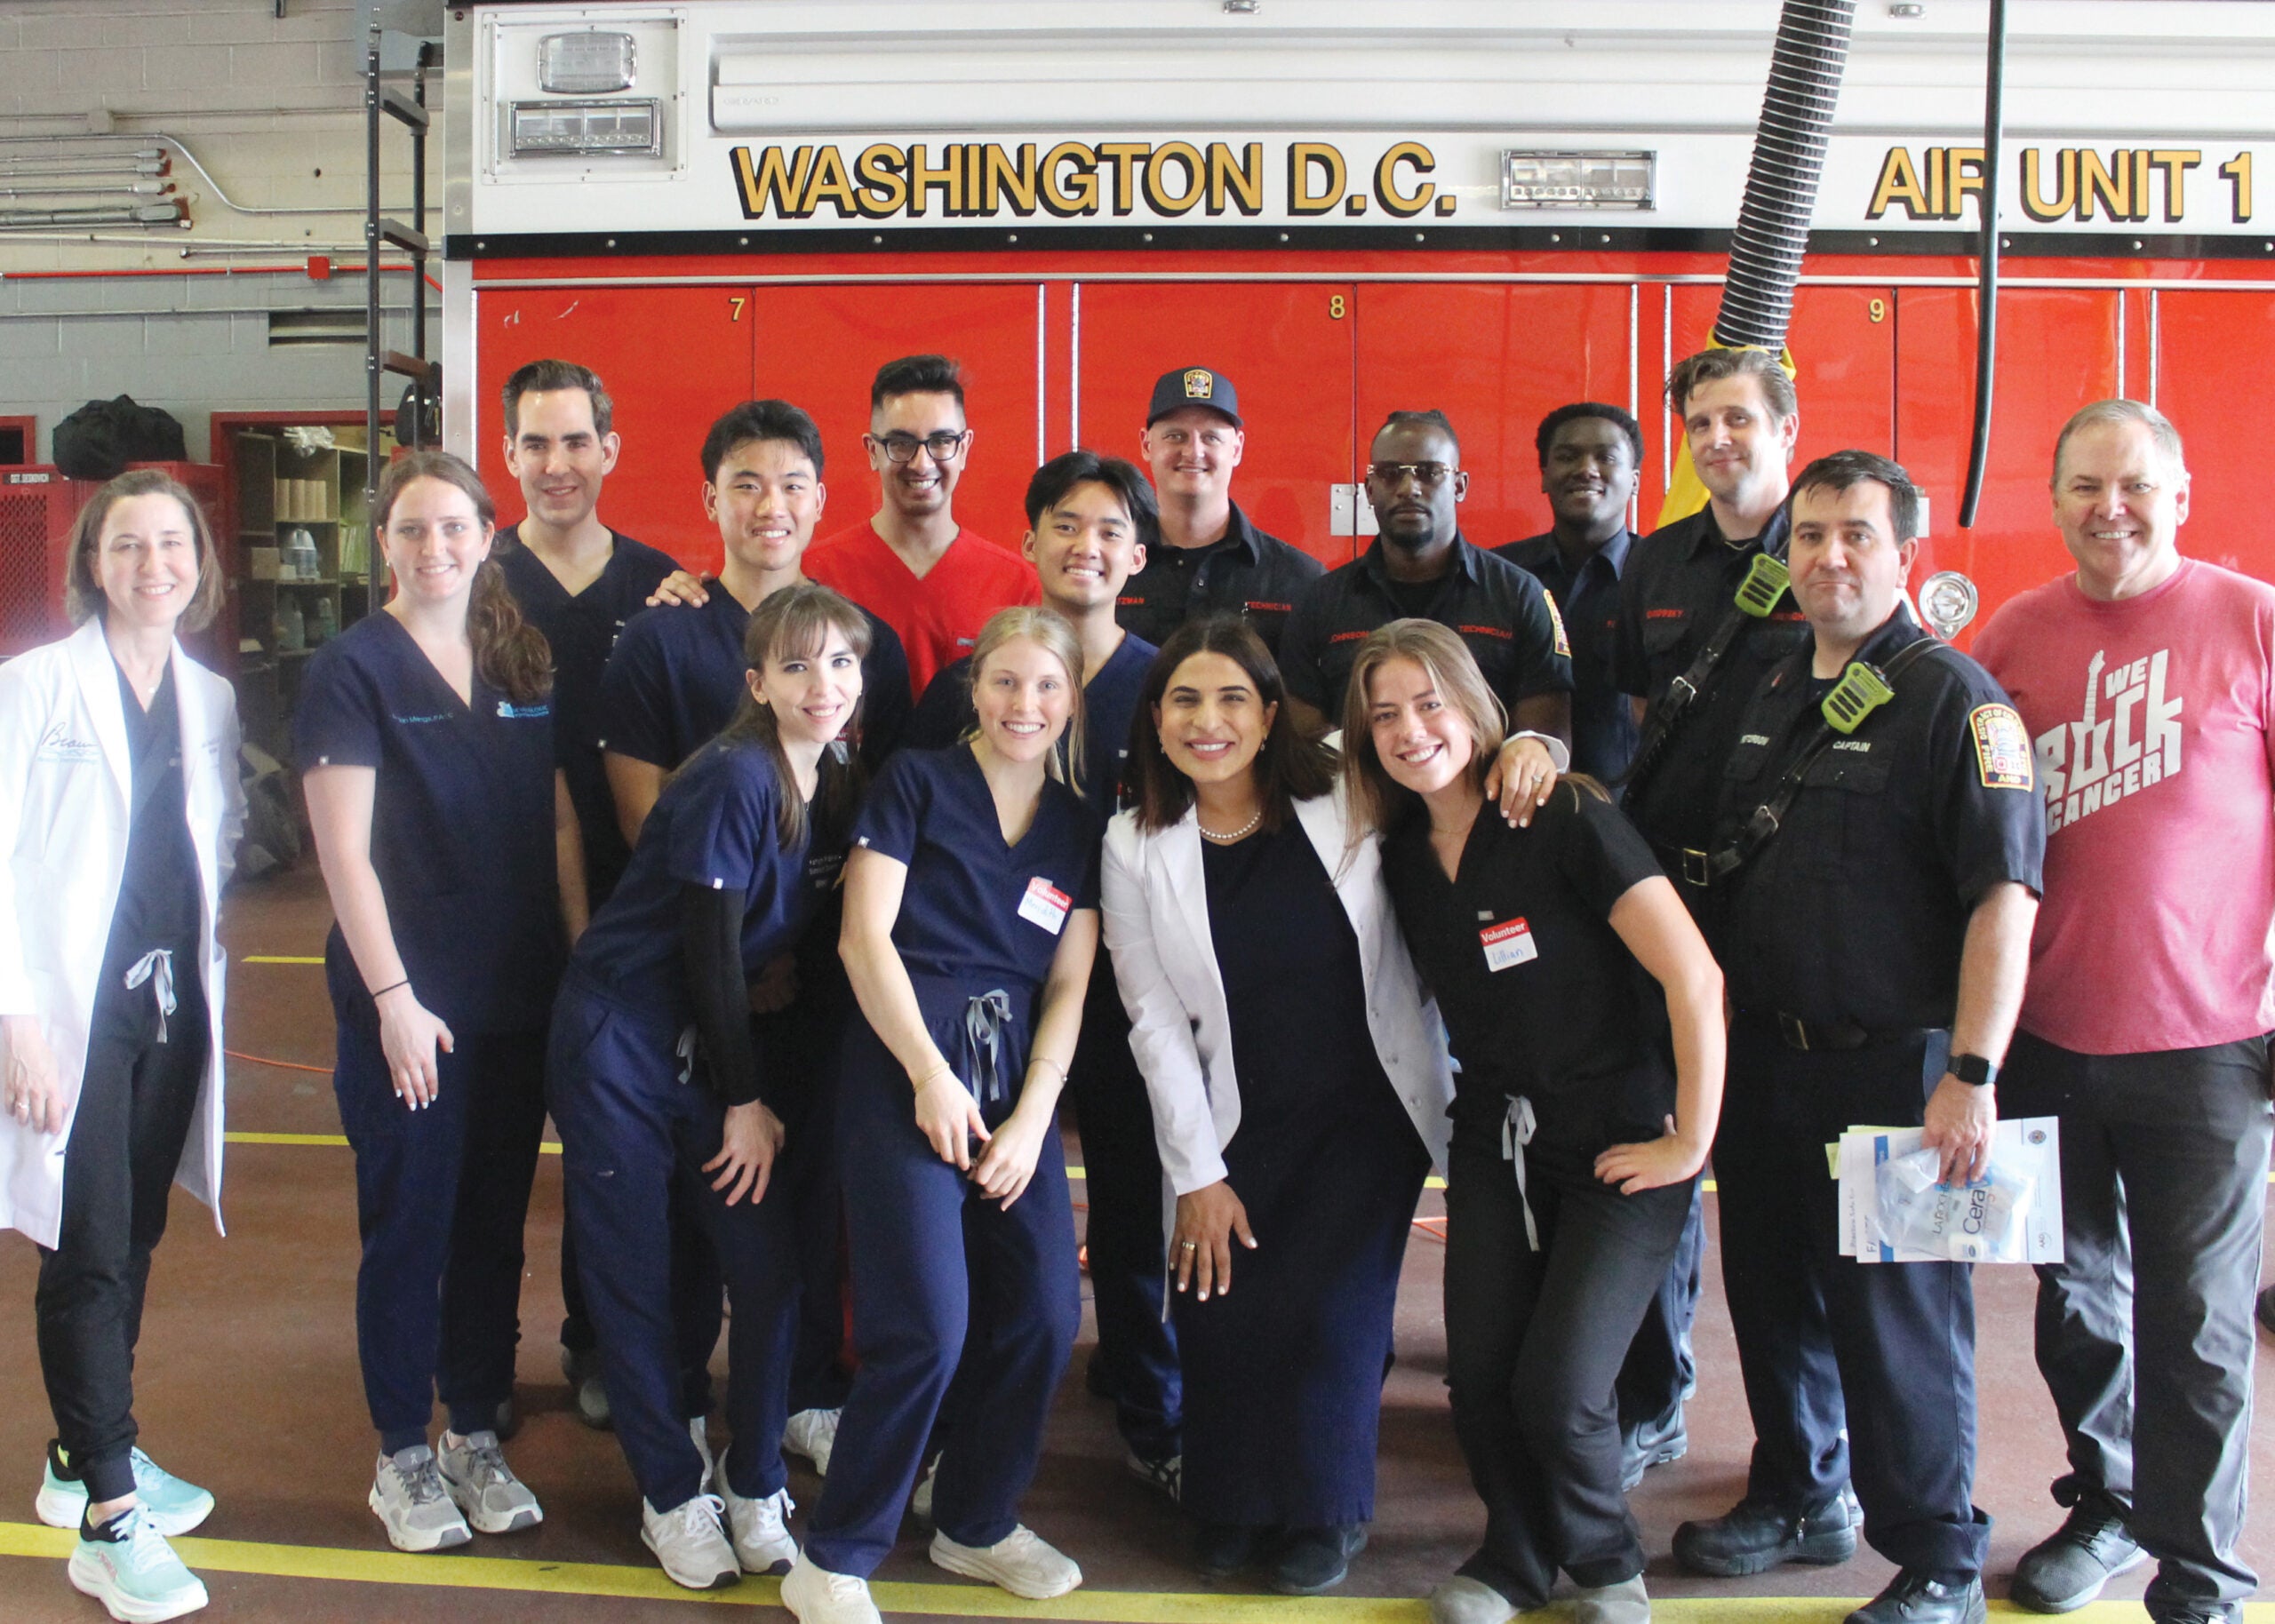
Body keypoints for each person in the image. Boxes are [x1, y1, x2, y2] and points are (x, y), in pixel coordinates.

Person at [1704, 450, 2043, 1624]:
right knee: (1773, 1295)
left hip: (1901, 1069)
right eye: (1807, 535)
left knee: (1901, 1323)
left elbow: (2006, 896)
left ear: (1906, 556)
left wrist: (1972, 1072)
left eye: (1856, 534)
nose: (1828, 556)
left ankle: (1939, 1557)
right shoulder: (1767, 686)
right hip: (1770, 1062)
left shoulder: (1959, 700)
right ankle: (1803, 1495)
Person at [1348, 619, 1725, 1624]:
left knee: (1559, 1385)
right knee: (1478, 1375)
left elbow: (1693, 977)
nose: (1409, 728)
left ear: (1474, 706)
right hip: (1495, 1134)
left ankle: (1604, 1564)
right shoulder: (1396, 854)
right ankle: (1512, 1557)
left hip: (1622, 1135)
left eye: (1429, 702)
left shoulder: (1557, 815)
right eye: (1384, 713)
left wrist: (1689, 1139)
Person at [1974, 400, 2275, 1624]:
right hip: (2048, 1041)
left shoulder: (2251, 621)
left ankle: (2198, 1576)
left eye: (2138, 484)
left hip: (2211, 1049)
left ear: (2182, 493)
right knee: (2078, 1301)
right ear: (2052, 500)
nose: (2113, 509)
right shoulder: (2011, 642)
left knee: (2198, 1326)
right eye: (2088, 485)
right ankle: (2107, 1504)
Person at [1100, 617, 1454, 1596]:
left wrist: (1541, 752)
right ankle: (1230, 1496)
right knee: (1220, 1304)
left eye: (1229, 699)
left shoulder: (1345, 783)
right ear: (1155, 719)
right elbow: (1153, 1018)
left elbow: (1453, 738)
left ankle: (1321, 1510)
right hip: (1234, 1113)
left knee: (1329, 1320)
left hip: (1364, 1109)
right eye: (1183, 699)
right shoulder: (1134, 843)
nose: (1206, 721)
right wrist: (1198, 1172)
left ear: (1267, 715)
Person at [600, 398, 910, 1478]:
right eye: (745, 484)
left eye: (790, 485)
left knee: (801, 1201)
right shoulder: (665, 632)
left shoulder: (851, 637)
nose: (769, 504)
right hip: (700, 974)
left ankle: (796, 1393)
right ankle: (684, 1402)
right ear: (710, 500)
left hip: (800, 978)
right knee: (704, 1204)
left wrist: (792, 947)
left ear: (822, 498)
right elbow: (652, 829)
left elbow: (864, 811)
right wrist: (736, 945)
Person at [548, 584, 871, 1590]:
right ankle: (670, 1494)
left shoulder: (835, 772)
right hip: (623, 1042)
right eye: (796, 665)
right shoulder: (736, 776)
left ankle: (754, 1474)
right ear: (755, 683)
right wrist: (743, 1097)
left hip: (703, 1043)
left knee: (768, 1268)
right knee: (635, 1272)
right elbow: (706, 951)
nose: (822, 685)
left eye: (841, 664)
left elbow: (766, 936)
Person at [784, 608, 1098, 1624]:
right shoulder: (915, 784)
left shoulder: (1075, 820)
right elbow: (862, 941)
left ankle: (975, 1518)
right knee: (926, 1324)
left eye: (1046, 686)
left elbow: (1067, 985)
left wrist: (1031, 1114)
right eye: (1005, 682)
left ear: (1070, 700)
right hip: (902, 1066)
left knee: (1046, 1314)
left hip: (1017, 1084)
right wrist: (926, 1072)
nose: (1025, 705)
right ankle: (832, 1554)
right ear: (974, 688)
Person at [298, 451, 583, 1554]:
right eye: (412, 530)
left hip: (514, 996)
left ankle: (471, 1426)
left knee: (492, 1228)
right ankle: (401, 1451)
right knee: (410, 1222)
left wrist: (576, 959)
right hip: (411, 1006)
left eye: (453, 527)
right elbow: (345, 858)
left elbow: (556, 822)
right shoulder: (352, 670)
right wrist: (394, 999)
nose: (435, 549)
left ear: (486, 535)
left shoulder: (517, 655)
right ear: (385, 545)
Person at [906, 451, 1177, 1488]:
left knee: (1130, 1217)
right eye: (1066, 524)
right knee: (978, 1218)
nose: (1086, 546)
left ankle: (1156, 1420)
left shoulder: (1166, 684)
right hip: (988, 1008)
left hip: (1126, 997)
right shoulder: (974, 679)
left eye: (1109, 530)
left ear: (1137, 556)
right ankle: (949, 1431)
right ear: (1028, 542)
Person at [0, 472, 243, 1624]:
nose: (155, 565)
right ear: (92, 563)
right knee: (87, 1248)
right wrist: (17, 1025)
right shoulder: (34, 688)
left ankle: (80, 1453)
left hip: (168, 1008)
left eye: (173, 544)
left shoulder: (206, 698)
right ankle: (108, 1514)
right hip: (71, 1013)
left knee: (134, 1232)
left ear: (200, 561)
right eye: (128, 546)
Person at [1612, 346, 1811, 1510]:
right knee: (1656, 1162)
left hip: (1787, 915)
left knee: (1778, 1203)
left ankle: (1805, 1470)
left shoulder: (1823, 547)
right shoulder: (1655, 562)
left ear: (1786, 424)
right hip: (1671, 906)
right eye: (1700, 422)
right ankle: (1654, 1399)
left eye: (1740, 418)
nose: (1719, 439)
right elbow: (1639, 714)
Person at [491, 356, 696, 1434]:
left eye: (577, 441)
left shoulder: (665, 589)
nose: (557, 464)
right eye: (536, 442)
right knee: (491, 1150)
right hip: (491, 914)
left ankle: (596, 1341)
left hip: (628, 921)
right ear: (510, 453)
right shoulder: (470, 582)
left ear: (610, 450)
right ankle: (478, 1367)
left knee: (615, 1146)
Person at [1277, 409, 1573, 751]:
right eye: (1390, 473)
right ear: (1370, 490)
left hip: (1488, 801)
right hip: (1354, 801)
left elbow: (1544, 747)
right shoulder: (1320, 603)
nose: (1408, 488)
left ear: (1459, 485)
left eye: (1429, 472)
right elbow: (1303, 745)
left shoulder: (1519, 595)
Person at [805, 354, 1041, 699]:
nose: (921, 462)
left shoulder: (1018, 587)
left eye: (941, 441)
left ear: (964, 449)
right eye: (900, 443)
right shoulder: (814, 575)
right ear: (872, 451)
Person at [1113, 365, 1323, 657]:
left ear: (1236, 449)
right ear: (1147, 445)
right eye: (1176, 436)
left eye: (1211, 437)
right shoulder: (1109, 565)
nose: (1193, 452)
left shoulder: (1299, 579)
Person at [1497, 403, 1645, 780]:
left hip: (1636, 812)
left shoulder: (1664, 575)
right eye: (1568, 456)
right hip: (1516, 803)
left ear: (1634, 480)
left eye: (1606, 457)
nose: (1586, 469)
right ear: (1544, 475)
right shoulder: (1499, 576)